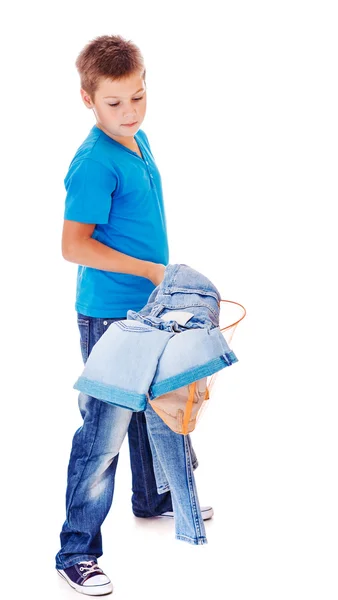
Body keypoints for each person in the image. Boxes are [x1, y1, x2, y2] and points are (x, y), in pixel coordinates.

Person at [55, 34, 212, 596]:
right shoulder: (94, 162)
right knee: (103, 431)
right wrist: (149, 272)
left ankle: (151, 497)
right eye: (115, 103)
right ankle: (76, 551)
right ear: (87, 100)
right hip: (108, 317)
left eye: (138, 98)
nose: (129, 112)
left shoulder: (137, 140)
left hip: (145, 306)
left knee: (151, 401)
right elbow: (73, 245)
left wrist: (153, 283)